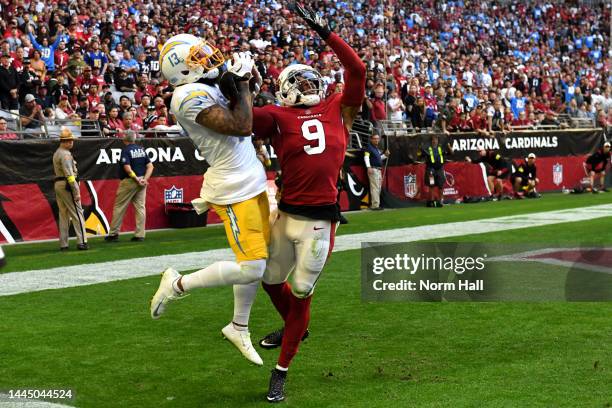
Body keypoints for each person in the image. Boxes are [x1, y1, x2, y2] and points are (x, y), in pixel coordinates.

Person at [251, 4, 365, 402]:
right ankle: (294, 328)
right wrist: (231, 82)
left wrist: (327, 33)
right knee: (268, 280)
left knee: (301, 291)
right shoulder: (276, 114)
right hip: (286, 215)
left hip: (320, 220)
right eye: (296, 79)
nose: (304, 84)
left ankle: (281, 371)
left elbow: (358, 72)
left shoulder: (338, 107)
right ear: (283, 86)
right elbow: (241, 120)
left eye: (306, 78)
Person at [150, 34, 269, 367]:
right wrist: (240, 84)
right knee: (252, 266)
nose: (206, 58)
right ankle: (177, 284)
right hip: (232, 187)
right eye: (196, 57)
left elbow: (244, 105)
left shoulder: (205, 83)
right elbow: (242, 124)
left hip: (252, 178)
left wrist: (246, 80)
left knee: (256, 264)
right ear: (181, 70)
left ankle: (238, 326)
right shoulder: (186, 96)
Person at [105, 131, 154, 242]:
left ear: (124, 139)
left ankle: (113, 234)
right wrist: (144, 179)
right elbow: (151, 166)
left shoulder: (126, 151)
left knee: (120, 206)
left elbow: (127, 168)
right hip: (142, 180)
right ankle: (140, 234)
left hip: (130, 181)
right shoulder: (141, 150)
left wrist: (136, 179)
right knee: (140, 207)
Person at [53, 127, 88, 250]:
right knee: (77, 213)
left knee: (63, 215)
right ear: (66, 141)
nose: (72, 143)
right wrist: (76, 191)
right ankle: (82, 241)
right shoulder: (66, 155)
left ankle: (64, 244)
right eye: (71, 140)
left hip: (59, 184)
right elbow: (70, 175)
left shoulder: (57, 152)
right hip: (67, 184)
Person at [421, 134, 453, 207]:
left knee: (441, 185)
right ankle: (432, 202)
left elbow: (451, 153)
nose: (435, 141)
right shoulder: (427, 149)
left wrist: (449, 147)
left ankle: (441, 201)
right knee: (431, 185)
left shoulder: (441, 148)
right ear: (431, 141)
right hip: (431, 170)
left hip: (440, 169)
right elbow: (420, 155)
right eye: (433, 139)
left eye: (436, 139)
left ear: (438, 141)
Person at [363, 134, 389, 210]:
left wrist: (385, 155)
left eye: (378, 139)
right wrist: (368, 167)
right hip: (373, 169)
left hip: (378, 169)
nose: (377, 140)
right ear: (371, 139)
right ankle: (375, 205)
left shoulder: (375, 148)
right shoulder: (369, 147)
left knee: (378, 187)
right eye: (375, 139)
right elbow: (366, 157)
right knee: (375, 187)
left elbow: (379, 158)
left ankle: (376, 204)